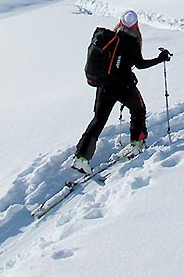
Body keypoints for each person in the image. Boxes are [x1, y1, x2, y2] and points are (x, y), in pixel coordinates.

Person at [72, 10, 171, 174]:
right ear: (136, 26)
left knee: (98, 119)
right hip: (123, 87)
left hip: (104, 86)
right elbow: (140, 64)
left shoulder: (110, 39)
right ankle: (137, 144)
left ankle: (81, 158)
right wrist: (160, 59)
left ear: (120, 23)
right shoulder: (131, 42)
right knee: (138, 109)